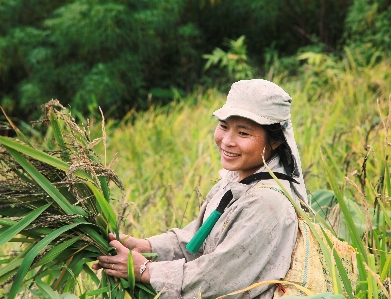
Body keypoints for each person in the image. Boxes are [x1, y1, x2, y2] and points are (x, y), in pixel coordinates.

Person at [92, 79, 307, 298]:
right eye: (224, 126)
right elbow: (196, 241)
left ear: (275, 142)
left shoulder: (267, 203)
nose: (227, 141)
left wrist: (146, 270)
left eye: (243, 133)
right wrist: (145, 246)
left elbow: (219, 279)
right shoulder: (236, 180)